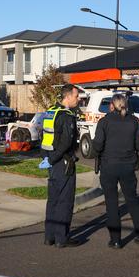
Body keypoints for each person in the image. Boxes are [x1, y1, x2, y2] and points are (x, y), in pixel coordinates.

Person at [92, 94, 139, 249]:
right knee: (132, 201)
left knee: (111, 204)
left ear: (111, 105)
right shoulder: (134, 121)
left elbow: (97, 145)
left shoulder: (104, 122)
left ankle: (116, 239)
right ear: (126, 105)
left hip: (109, 166)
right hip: (128, 166)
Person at [43, 84, 80, 248]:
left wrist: (48, 158)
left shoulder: (51, 111)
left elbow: (46, 137)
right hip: (63, 162)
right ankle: (61, 238)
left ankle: (49, 236)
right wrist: (53, 159)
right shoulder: (66, 116)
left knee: (53, 200)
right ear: (67, 97)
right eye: (76, 96)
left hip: (51, 161)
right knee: (65, 200)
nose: (78, 99)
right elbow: (65, 143)